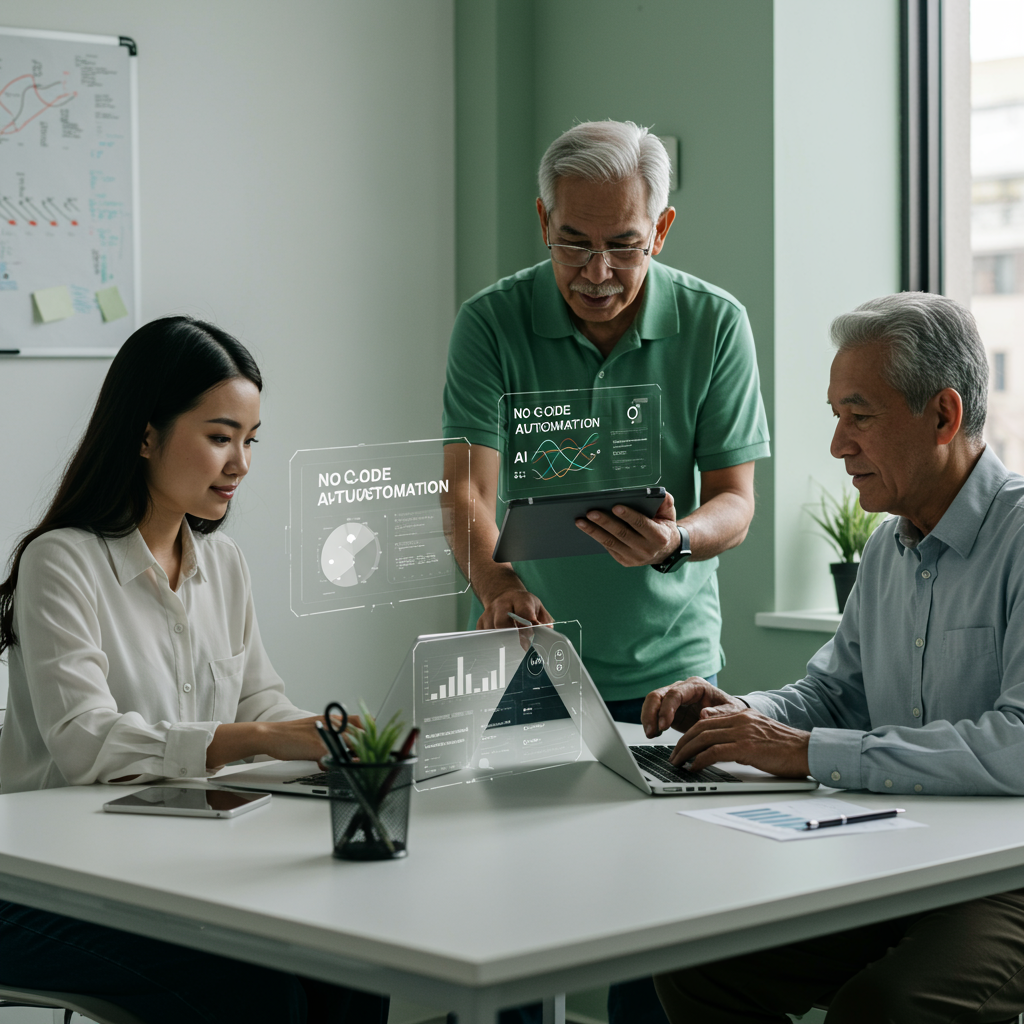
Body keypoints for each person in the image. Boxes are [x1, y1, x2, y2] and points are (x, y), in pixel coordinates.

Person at [442, 118, 770, 1024]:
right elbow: (466, 492)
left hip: (670, 674)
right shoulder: (492, 321)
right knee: (515, 912)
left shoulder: (714, 322)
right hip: (530, 664)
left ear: (661, 230)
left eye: (623, 246)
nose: (596, 273)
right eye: (572, 244)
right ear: (542, 219)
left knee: (657, 927)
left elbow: (735, 501)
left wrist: (678, 541)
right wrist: (498, 587)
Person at [644, 292, 1024, 1024]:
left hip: (1006, 879)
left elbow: (1017, 745)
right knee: (700, 967)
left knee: (886, 1008)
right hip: (906, 859)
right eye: (836, 417)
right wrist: (742, 715)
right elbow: (831, 694)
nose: (837, 445)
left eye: (860, 416)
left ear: (943, 416)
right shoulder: (888, 545)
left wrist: (811, 753)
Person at [0, 317, 389, 1024]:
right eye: (219, 437)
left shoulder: (223, 564)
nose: (240, 463)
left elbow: (261, 700)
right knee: (254, 996)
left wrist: (331, 741)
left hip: (167, 871)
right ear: (146, 435)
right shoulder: (60, 562)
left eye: (250, 439)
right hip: (42, 891)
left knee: (355, 959)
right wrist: (261, 740)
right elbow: (87, 744)